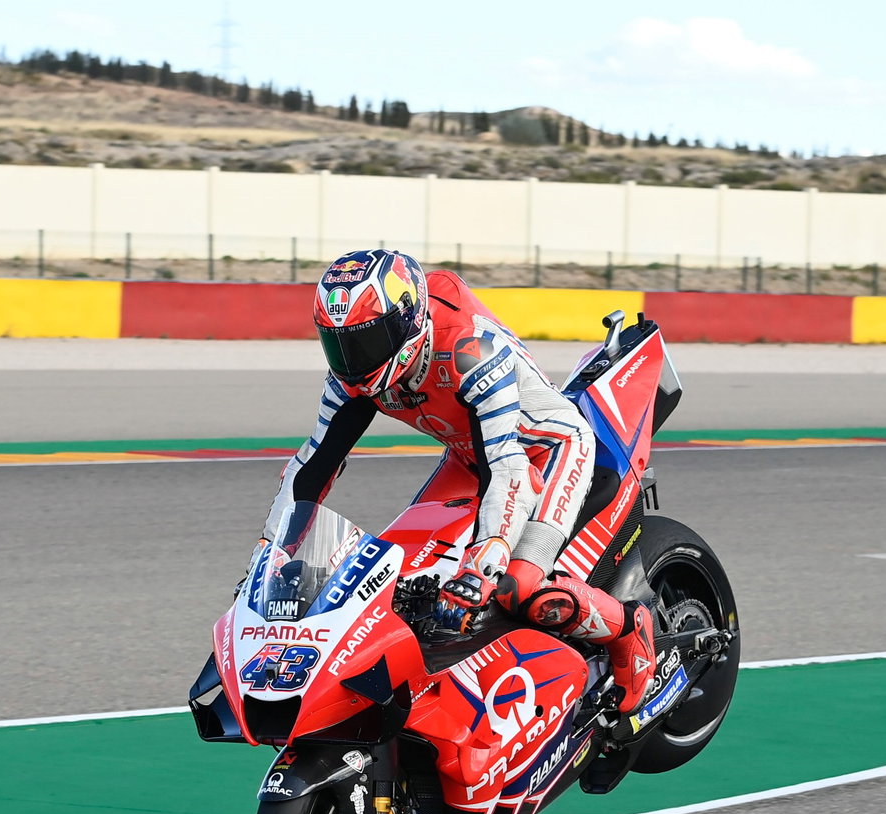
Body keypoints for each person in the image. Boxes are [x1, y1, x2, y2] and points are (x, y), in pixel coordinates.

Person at [261, 248, 656, 723]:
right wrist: (272, 554)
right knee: (399, 574)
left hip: (543, 449)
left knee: (517, 585)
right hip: (471, 455)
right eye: (338, 344)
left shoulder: (469, 348)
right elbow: (314, 465)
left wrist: (482, 567)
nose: (352, 360)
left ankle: (629, 632)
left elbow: (507, 467)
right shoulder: (351, 379)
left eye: (365, 342)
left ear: (406, 321)